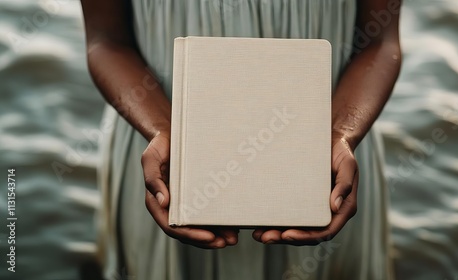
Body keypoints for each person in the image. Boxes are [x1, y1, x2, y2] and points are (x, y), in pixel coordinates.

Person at [81, 0, 402, 279]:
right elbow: (106, 42)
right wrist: (166, 132)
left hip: (327, 164)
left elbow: (380, 41)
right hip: (164, 156)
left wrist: (340, 134)